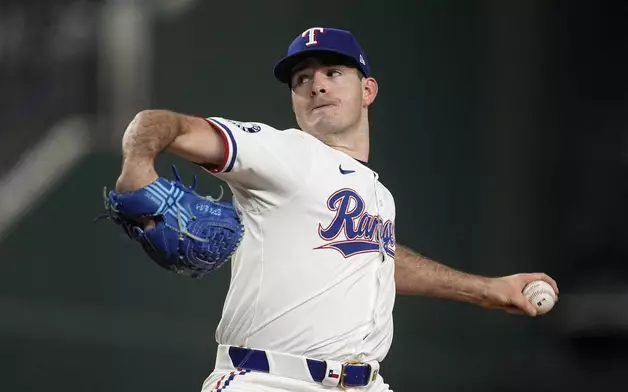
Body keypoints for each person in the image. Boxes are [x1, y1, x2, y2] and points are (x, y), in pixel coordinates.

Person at [113, 27, 559, 391]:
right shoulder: (284, 153)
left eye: (332, 72)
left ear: (368, 90)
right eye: (301, 79)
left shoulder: (377, 195)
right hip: (267, 381)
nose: (316, 84)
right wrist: (137, 167)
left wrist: (488, 289)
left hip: (364, 385)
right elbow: (159, 123)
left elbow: (375, 262)